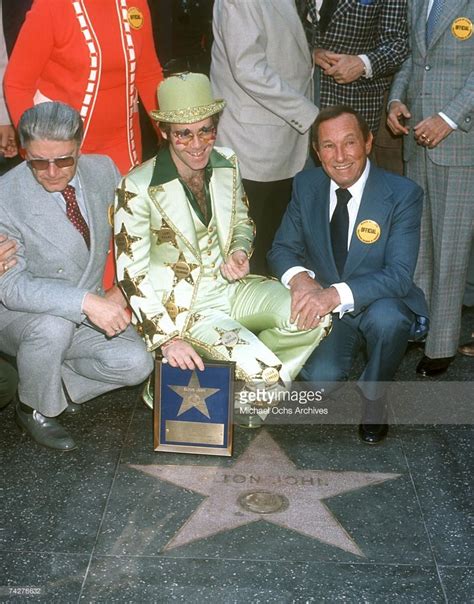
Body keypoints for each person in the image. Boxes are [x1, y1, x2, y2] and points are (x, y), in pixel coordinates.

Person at [114, 72, 330, 412]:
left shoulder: (227, 162)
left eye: (206, 131)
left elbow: (243, 222)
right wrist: (166, 339)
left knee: (317, 313)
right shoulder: (138, 186)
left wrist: (240, 250)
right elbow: (131, 274)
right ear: (166, 132)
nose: (198, 144)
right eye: (184, 134)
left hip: (233, 289)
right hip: (187, 311)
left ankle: (236, 381)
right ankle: (174, 383)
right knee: (268, 377)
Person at [268, 106, 427, 444]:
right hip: (329, 308)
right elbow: (280, 249)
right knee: (321, 382)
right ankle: (347, 348)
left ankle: (374, 395)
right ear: (316, 151)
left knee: (389, 322)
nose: (339, 156)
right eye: (328, 146)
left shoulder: (402, 194)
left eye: (349, 142)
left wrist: (332, 295)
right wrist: (300, 279)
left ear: (368, 143)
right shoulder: (306, 184)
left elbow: (399, 275)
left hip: (379, 301)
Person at [0, 102, 153, 450]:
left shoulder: (103, 170)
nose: (52, 172)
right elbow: (11, 288)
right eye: (38, 162)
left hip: (87, 305)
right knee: (52, 327)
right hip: (21, 317)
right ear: (24, 153)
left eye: (64, 160)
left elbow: (137, 236)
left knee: (136, 364)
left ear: (79, 148)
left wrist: (123, 289)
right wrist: (87, 302)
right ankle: (33, 407)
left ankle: (52, 381)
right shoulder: (5, 196)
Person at [387, 0, 474, 377]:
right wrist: (395, 99)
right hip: (417, 138)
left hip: (455, 142)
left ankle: (441, 345)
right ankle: (420, 326)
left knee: (451, 248)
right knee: (418, 243)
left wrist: (449, 118)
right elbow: (414, 58)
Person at [210, 0, 318, 274]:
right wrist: (308, 114)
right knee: (250, 256)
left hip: (277, 145)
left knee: (273, 248)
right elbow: (249, 69)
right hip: (254, 148)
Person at [308, 0, 408, 134]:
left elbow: (398, 45)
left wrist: (363, 64)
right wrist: (309, 51)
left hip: (353, 100)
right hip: (297, 100)